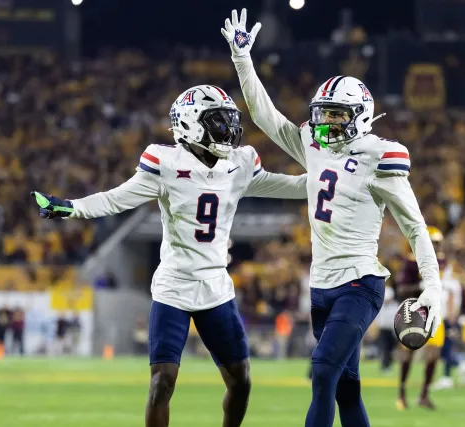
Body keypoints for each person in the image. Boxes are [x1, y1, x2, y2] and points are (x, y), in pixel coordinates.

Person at [32, 85, 307, 427]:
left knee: (242, 380)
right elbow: (116, 198)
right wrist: (71, 208)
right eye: (219, 121)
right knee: (162, 381)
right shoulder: (166, 163)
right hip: (174, 287)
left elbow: (288, 185)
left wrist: (333, 180)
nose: (229, 130)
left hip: (215, 286)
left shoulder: (240, 163)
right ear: (191, 123)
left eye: (230, 121)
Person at [222, 9, 443, 427]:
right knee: (345, 388)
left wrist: (433, 287)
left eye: (337, 114)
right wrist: (242, 60)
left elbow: (415, 227)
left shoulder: (381, 156)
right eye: (323, 113)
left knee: (323, 372)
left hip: (360, 283)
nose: (325, 122)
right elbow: (266, 118)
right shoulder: (315, 143)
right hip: (320, 285)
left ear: (360, 115)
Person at [396, 226, 451, 410]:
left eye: (438, 243)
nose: (436, 247)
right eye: (433, 243)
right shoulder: (412, 262)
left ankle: (424, 395)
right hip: (415, 311)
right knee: (408, 353)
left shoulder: (442, 262)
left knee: (433, 354)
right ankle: (402, 393)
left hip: (434, 312)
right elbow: (402, 289)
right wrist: (419, 287)